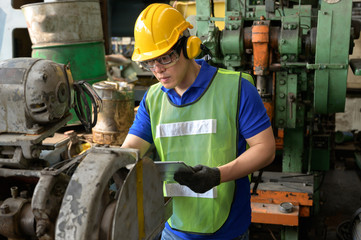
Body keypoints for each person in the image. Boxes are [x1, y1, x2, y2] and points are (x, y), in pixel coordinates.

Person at [121, 3, 276, 240]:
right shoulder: (152, 99)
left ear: (189, 47)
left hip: (227, 232)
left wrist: (217, 176)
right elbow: (129, 152)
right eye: (149, 62)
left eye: (166, 57)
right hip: (173, 229)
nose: (158, 70)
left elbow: (265, 149)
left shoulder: (237, 88)